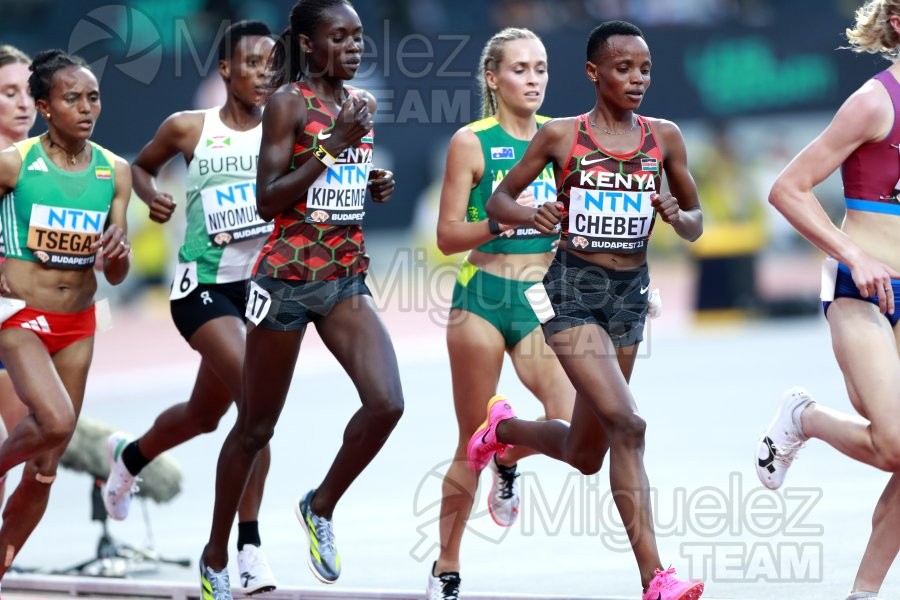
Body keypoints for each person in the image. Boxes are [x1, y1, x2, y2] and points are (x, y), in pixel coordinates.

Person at [478, 21, 705, 599]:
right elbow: (499, 198)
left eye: (645, 69)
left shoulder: (665, 138)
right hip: (572, 292)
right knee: (629, 425)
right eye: (623, 68)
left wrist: (676, 215)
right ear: (593, 72)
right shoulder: (561, 135)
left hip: (630, 299)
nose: (637, 79)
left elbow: (696, 222)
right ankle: (656, 578)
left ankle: (502, 432)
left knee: (586, 452)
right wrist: (534, 215)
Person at [199, 0, 402, 595]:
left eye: (359, 37)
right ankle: (215, 554)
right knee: (256, 427)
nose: (354, 46)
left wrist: (369, 180)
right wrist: (337, 145)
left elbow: (333, 183)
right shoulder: (288, 102)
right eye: (339, 38)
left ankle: (320, 504)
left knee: (386, 403)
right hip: (286, 280)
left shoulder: (359, 104)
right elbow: (269, 199)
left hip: (344, 278)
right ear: (310, 46)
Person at [101, 21, 278, 595]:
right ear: (225, 70)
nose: (263, 74)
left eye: (272, 64)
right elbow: (140, 167)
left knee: (206, 415)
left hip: (257, 292)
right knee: (257, 403)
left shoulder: (286, 131)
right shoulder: (188, 127)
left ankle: (129, 458)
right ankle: (243, 549)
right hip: (199, 288)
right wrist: (151, 196)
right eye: (251, 63)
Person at [753, 2, 900, 599]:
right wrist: (853, 254)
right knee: (895, 444)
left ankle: (863, 594)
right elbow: (787, 188)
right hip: (865, 289)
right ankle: (804, 416)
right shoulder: (876, 102)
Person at [426, 27, 575, 599]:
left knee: (568, 424)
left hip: (539, 300)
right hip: (483, 296)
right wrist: (508, 219)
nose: (533, 79)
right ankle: (446, 565)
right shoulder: (472, 142)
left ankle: (507, 459)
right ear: (493, 78)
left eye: (540, 68)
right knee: (468, 440)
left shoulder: (561, 137)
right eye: (519, 69)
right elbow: (445, 237)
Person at [0, 49, 131, 584]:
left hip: (79, 323)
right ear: (45, 107)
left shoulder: (115, 171)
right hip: (21, 318)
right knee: (53, 422)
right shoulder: (15, 162)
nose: (85, 108)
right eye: (71, 98)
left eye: (93, 97)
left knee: (47, 466)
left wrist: (118, 257)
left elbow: (117, 273)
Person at [0, 44, 35, 504]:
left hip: (30, 318)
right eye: (9, 93)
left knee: (31, 438)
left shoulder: (47, 161)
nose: (24, 102)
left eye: (29, 91)